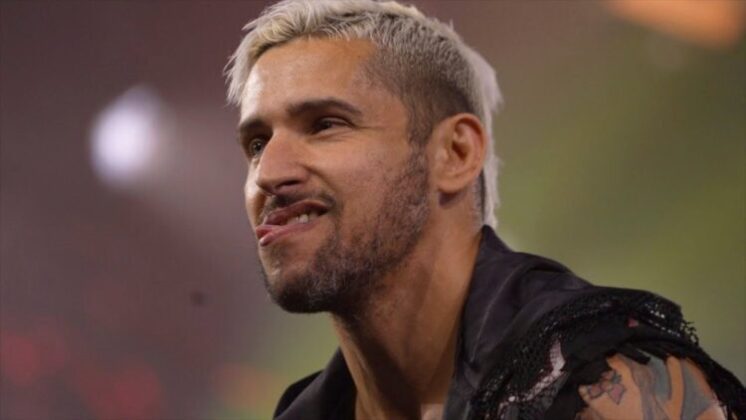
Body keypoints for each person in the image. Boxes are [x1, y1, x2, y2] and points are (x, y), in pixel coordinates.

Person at [225, 0, 745, 418]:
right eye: (257, 143)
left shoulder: (599, 379)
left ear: (455, 154)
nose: (268, 173)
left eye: (325, 124)